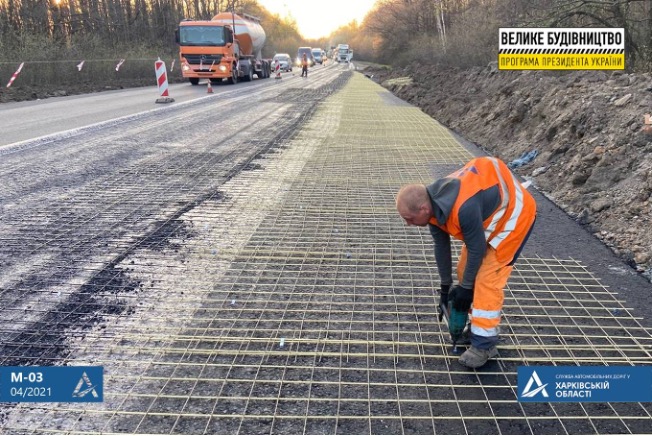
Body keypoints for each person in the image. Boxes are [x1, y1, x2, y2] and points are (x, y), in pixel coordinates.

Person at [396, 156, 536, 368]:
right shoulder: (434, 207)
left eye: (409, 219)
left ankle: (485, 345)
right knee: (465, 273)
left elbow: (477, 247)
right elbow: (441, 246)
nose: (408, 224)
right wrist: (446, 287)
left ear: (423, 209)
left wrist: (467, 288)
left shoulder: (463, 207)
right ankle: (476, 328)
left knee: (485, 282)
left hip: (513, 219)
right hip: (487, 219)